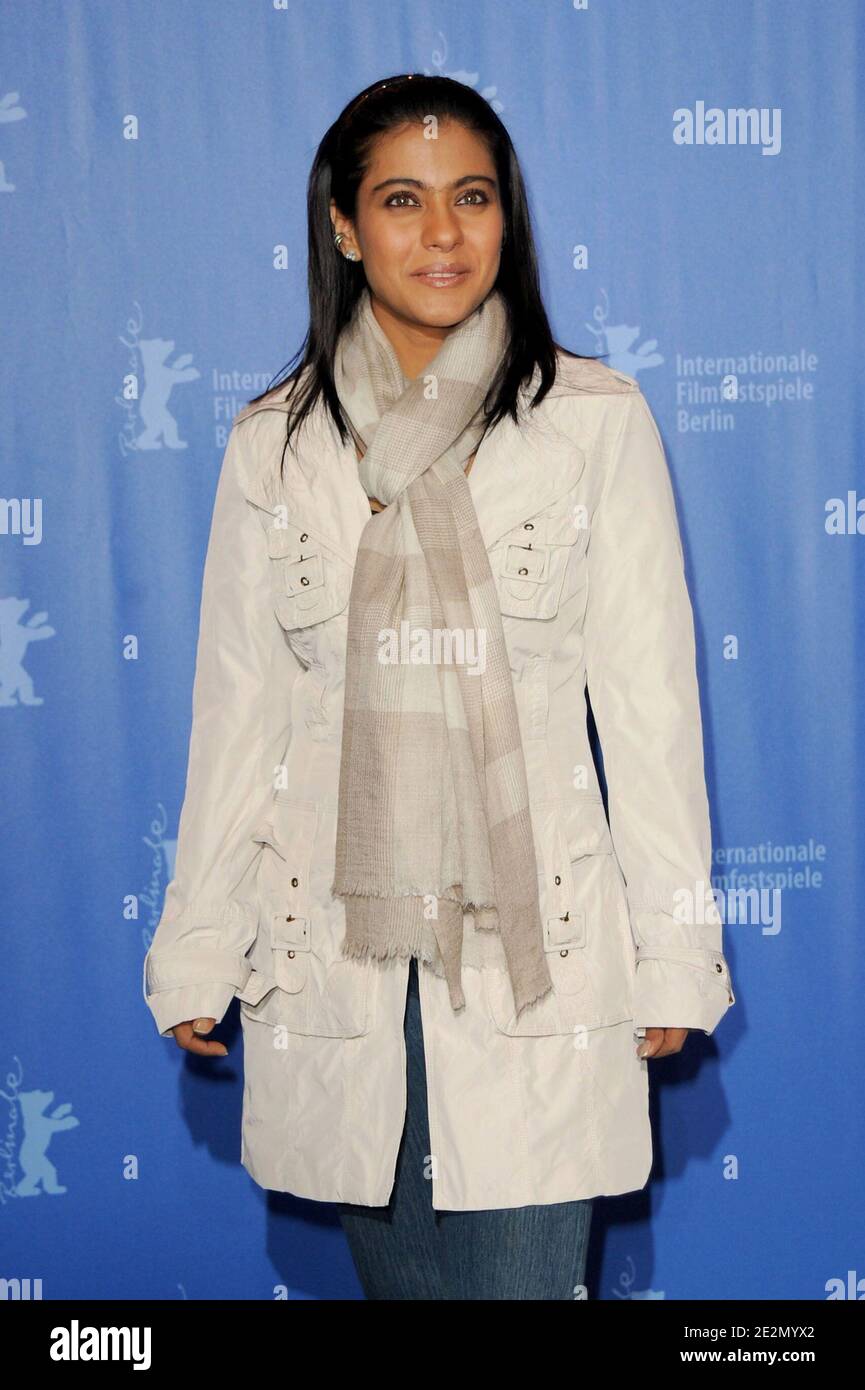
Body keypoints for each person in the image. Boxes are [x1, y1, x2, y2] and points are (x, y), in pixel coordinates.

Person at [143, 73, 735, 1301]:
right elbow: (237, 719)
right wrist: (199, 944)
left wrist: (675, 953)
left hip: (533, 960)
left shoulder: (590, 425)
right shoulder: (276, 447)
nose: (444, 234)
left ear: (507, 218)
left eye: (472, 197)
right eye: (402, 201)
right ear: (345, 226)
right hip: (340, 964)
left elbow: (649, 713)